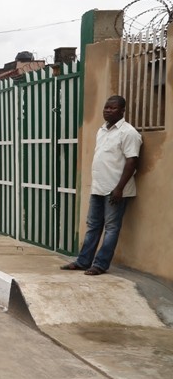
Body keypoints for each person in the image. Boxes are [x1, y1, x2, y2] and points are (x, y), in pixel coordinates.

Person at [61, 95, 141, 276]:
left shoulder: (128, 133)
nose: (107, 111)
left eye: (113, 108)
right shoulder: (102, 130)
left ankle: (100, 265)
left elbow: (132, 162)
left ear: (122, 111)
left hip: (116, 190)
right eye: (106, 107)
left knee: (111, 228)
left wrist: (119, 188)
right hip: (98, 187)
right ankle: (83, 261)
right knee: (93, 225)